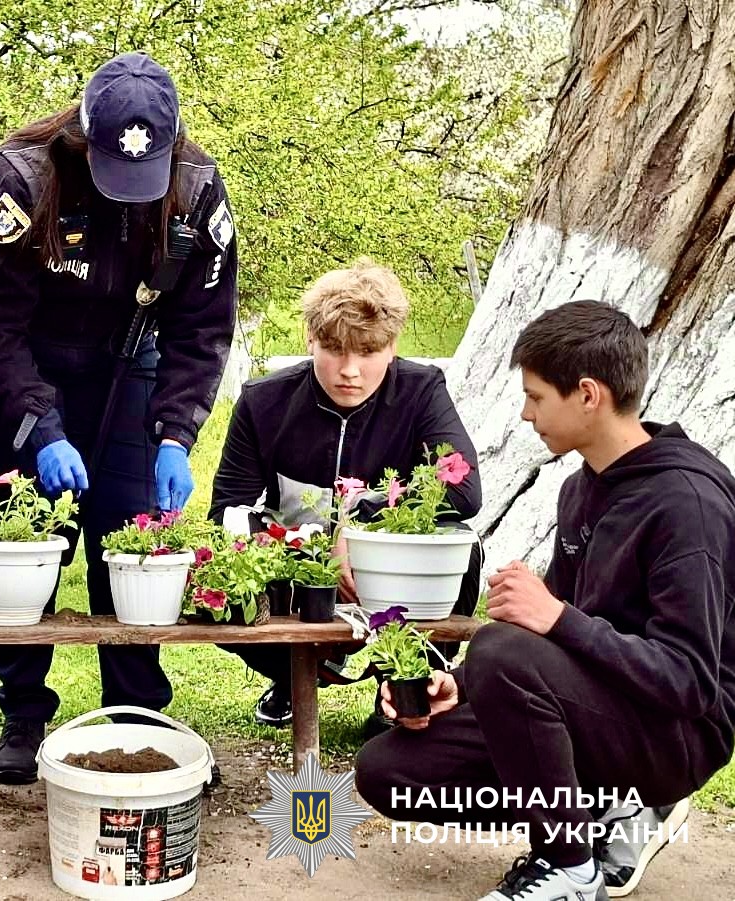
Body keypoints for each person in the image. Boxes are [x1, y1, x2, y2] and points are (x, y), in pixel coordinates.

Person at [355, 300, 734, 901]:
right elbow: (548, 644)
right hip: (592, 711)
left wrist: (557, 618)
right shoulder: (581, 490)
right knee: (390, 771)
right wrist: (458, 686)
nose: (526, 414)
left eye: (535, 397)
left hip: (676, 737)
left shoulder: (687, 504)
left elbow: (690, 682)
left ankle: (570, 869)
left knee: (501, 647)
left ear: (587, 395)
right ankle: (599, 814)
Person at [0, 52, 238, 785]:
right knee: (28, 543)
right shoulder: (22, 181)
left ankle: (137, 712)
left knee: (129, 540)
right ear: (83, 139)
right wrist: (42, 428)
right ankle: (23, 711)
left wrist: (175, 435)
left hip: (127, 357)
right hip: (26, 359)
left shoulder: (198, 191)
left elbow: (202, 331)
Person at [206, 259, 482, 731]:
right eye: (334, 348)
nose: (349, 370)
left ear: (392, 347)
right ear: (310, 339)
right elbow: (225, 511)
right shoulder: (263, 400)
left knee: (463, 547)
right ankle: (292, 674)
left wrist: (359, 530)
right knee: (219, 567)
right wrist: (303, 548)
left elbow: (464, 489)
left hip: (387, 567)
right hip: (298, 563)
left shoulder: (421, 390)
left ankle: (402, 686)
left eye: (368, 351)